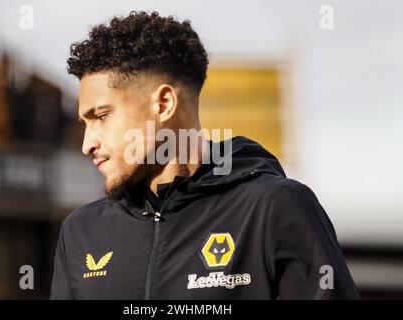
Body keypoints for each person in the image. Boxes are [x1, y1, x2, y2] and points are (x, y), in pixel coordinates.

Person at [50, 11, 359, 299]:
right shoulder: (81, 233)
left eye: (102, 116)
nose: (87, 144)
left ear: (164, 104)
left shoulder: (274, 209)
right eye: (85, 122)